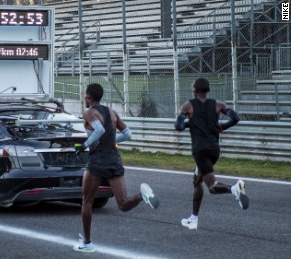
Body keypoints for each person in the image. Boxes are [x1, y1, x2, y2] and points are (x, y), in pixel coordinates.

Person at [73, 83, 159, 253]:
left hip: (97, 160)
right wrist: (112, 141)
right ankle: (142, 195)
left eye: (85, 95)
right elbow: (128, 134)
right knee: (123, 204)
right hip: (114, 159)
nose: (84, 98)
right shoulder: (112, 112)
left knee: (87, 202)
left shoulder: (89, 112)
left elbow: (98, 130)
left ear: (89, 97)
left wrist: (84, 146)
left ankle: (87, 243)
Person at [174, 77, 249, 231]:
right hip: (215, 150)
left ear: (194, 90)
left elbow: (178, 126)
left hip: (200, 151)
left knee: (212, 187)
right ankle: (193, 218)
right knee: (196, 180)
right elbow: (235, 117)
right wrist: (224, 127)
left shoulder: (187, 105)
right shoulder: (218, 105)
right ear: (208, 90)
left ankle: (235, 189)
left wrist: (189, 123)